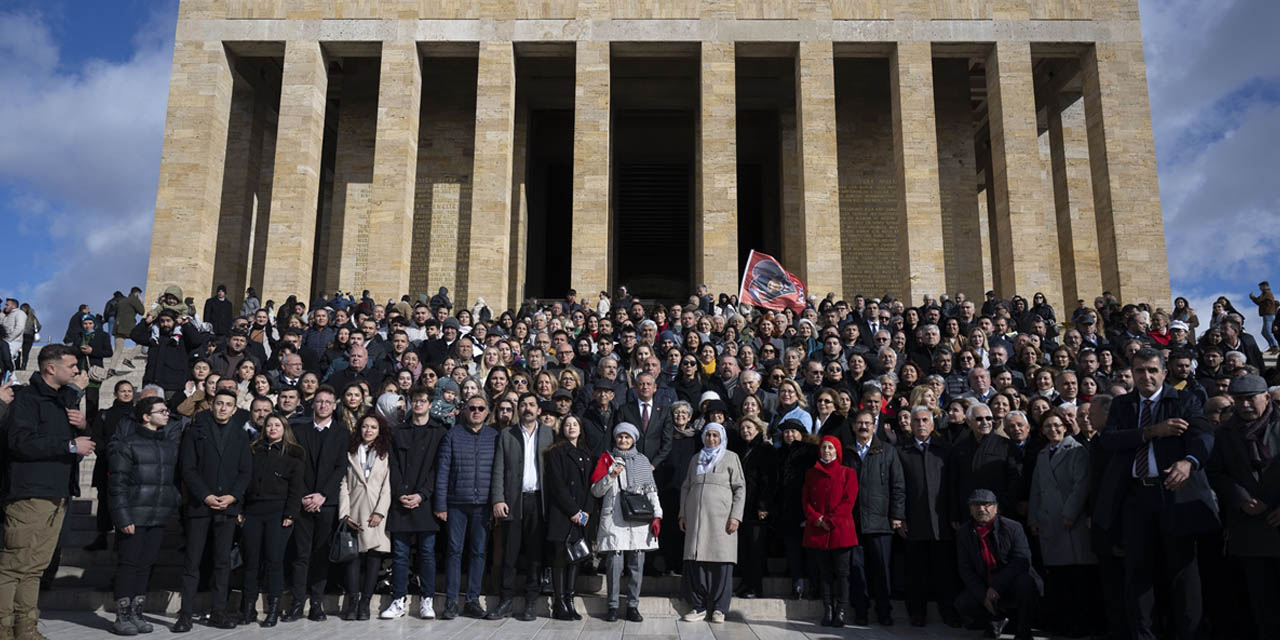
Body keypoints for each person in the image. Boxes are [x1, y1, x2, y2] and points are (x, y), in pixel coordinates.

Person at [1092, 348, 1218, 640]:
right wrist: (1151, 432)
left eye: (1152, 370)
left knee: (1182, 575)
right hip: (1135, 499)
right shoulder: (1122, 405)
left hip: (1175, 497)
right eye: (1139, 371)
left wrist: (1189, 462)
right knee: (1138, 574)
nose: (1146, 376)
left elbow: (1204, 436)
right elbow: (1109, 440)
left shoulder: (1184, 399)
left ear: (1164, 372)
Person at [1207, 374, 1280, 639]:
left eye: (1251, 398)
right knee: (1262, 603)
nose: (1245, 405)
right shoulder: (1225, 433)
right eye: (1239, 400)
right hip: (1250, 529)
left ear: (1266, 397)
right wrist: (1239, 498)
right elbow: (1216, 472)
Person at [174, 389, 252, 631]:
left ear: (234, 409)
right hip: (200, 505)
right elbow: (187, 468)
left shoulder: (240, 435)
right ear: (212, 405)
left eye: (228, 404)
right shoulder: (195, 431)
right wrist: (206, 495)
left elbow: (245, 471)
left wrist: (232, 497)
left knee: (222, 562)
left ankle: (219, 610)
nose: (223, 408)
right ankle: (185, 614)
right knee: (192, 561)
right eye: (219, 403)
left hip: (227, 507)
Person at [107, 396, 180, 635]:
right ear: (146, 416)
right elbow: (117, 485)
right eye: (161, 411)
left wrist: (173, 502)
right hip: (134, 516)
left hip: (158, 516)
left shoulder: (168, 445)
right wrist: (123, 518)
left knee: (146, 565)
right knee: (129, 565)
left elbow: (173, 481)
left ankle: (137, 612)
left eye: (166, 410)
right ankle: (122, 615)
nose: (166, 414)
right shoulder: (127, 444)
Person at [284, 386, 350, 623]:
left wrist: (322, 494)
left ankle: (316, 604)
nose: (323, 405)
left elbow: (340, 467)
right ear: (313, 404)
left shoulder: (342, 432)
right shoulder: (298, 429)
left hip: (327, 502)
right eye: (319, 401)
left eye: (327, 402)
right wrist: (304, 496)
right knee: (301, 555)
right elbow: (293, 465)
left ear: (334, 406)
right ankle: (297, 604)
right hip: (302, 502)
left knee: (321, 555)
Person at [381, 385, 447, 621]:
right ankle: (398, 599)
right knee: (399, 554)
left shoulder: (439, 431)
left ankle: (427, 599)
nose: (418, 405)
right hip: (401, 500)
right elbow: (394, 465)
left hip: (425, 502)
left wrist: (422, 494)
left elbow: (438, 469)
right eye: (414, 401)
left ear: (430, 404)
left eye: (422, 401)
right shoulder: (398, 431)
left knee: (427, 553)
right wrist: (400, 492)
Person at [1028, 411, 1095, 638]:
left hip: (1070, 523)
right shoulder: (1042, 454)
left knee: (1077, 577)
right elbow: (1036, 488)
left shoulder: (1076, 450)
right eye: (1047, 426)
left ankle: (1081, 624)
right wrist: (1034, 518)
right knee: (1058, 577)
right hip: (1049, 522)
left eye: (1057, 425)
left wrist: (1070, 513)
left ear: (1065, 427)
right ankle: (1062, 622)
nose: (1053, 430)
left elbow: (1082, 484)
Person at [488, 393, 554, 621]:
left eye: (531, 405)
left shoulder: (549, 434)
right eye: (523, 404)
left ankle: (531, 603)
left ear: (539, 410)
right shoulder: (507, 434)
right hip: (513, 501)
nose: (527, 408)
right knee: (510, 554)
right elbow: (498, 469)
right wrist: (498, 499)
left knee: (536, 555)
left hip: (538, 501)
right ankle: (505, 601)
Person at [433, 394, 498, 620]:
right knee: (453, 551)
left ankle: (472, 600)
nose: (476, 411)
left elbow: (499, 473)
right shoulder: (452, 436)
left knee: (479, 552)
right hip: (456, 504)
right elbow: (442, 472)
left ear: (487, 412)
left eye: (481, 408)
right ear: (464, 411)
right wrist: (440, 504)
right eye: (472, 408)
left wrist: (495, 502)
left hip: (483, 505)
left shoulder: (494, 436)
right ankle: (451, 602)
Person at [591, 423, 663, 622]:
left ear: (633, 439)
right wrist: (611, 476)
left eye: (627, 437)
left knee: (637, 563)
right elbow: (596, 490)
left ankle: (633, 605)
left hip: (639, 519)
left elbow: (651, 490)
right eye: (620, 437)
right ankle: (612, 606)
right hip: (615, 518)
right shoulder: (607, 459)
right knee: (614, 563)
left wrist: (657, 515)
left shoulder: (642, 460)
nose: (623, 441)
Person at [239, 413, 304, 628]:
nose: (273, 429)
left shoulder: (293, 454)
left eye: (277, 425)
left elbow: (296, 489)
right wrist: (239, 508)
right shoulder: (253, 450)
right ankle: (247, 609)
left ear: (284, 428)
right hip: (253, 511)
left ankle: (273, 609)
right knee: (251, 561)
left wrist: (290, 514)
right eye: (269, 425)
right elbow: (243, 479)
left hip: (278, 513)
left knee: (274, 561)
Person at [898, 406, 961, 628]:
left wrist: (954, 514)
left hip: (942, 520)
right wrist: (899, 517)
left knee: (945, 570)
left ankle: (948, 610)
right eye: (916, 420)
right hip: (914, 520)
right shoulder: (902, 450)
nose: (921, 424)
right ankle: (917, 612)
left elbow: (954, 485)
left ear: (933, 424)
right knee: (916, 571)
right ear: (910, 425)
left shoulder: (945, 449)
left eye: (925, 420)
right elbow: (898, 487)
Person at [678, 423, 746, 624]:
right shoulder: (696, 458)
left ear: (722, 437)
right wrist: (682, 513)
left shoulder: (731, 457)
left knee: (721, 563)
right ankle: (698, 606)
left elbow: (740, 488)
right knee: (696, 561)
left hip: (722, 519)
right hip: (697, 519)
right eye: (708, 434)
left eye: (716, 435)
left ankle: (719, 609)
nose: (711, 439)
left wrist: (736, 516)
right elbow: (686, 487)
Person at [954, 489, 1042, 640]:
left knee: (1026, 583)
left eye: (986, 504)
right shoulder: (963, 533)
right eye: (976, 505)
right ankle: (995, 620)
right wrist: (983, 595)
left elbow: (1021, 561)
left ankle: (1023, 631)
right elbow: (966, 569)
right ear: (970, 509)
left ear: (996, 507)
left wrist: (997, 586)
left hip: (1010, 583)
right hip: (986, 585)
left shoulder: (1013, 527)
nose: (981, 509)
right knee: (963, 604)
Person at [847, 408, 905, 627]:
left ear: (874, 426)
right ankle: (860, 611)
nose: (863, 427)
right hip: (854, 522)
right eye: (859, 423)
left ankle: (884, 611)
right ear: (854, 426)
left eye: (868, 423)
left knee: (882, 570)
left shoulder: (888, 452)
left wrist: (897, 515)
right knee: (857, 569)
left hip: (881, 522)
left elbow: (898, 485)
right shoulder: (848, 452)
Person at [799, 435, 859, 628]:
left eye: (831, 448)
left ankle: (841, 611)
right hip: (818, 530)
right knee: (824, 573)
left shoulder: (847, 473)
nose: (827, 451)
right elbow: (806, 499)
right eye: (824, 447)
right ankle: (828, 609)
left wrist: (831, 520)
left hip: (840, 530)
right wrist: (816, 518)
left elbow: (848, 501)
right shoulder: (811, 473)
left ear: (837, 451)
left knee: (842, 573)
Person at [338, 414, 392, 621]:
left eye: (373, 427)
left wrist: (380, 512)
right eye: (365, 427)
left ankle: (365, 603)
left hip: (376, 513)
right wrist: (344, 514)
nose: (369, 430)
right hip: (354, 510)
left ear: (380, 430)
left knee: (373, 558)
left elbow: (387, 486)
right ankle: (352, 601)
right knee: (352, 557)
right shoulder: (351, 453)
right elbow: (343, 484)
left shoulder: (384, 454)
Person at [544, 414, 593, 620]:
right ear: (562, 429)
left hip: (581, 515)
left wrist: (586, 511)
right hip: (563, 513)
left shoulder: (586, 453)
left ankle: (570, 600)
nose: (571, 427)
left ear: (580, 429)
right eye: (567, 425)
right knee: (560, 557)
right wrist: (573, 511)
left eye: (575, 424)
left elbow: (592, 485)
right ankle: (559, 602)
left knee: (576, 558)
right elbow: (557, 485)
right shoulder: (556, 453)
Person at [732, 417, 775, 600]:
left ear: (758, 428)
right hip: (743, 505)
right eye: (742, 428)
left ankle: (755, 587)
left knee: (756, 549)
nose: (746, 431)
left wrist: (763, 505)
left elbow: (769, 479)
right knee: (745, 548)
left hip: (758, 507)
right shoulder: (741, 448)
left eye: (749, 427)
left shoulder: (766, 449)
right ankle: (745, 584)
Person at [1249, 281, 1279, 354]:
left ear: (1265, 286)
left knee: (1268, 331)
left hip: (1269, 314)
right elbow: (1258, 302)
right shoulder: (1264, 294)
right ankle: (1272, 346)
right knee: (1264, 332)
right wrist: (1253, 298)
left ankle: (1275, 345)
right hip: (1267, 314)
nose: (1260, 288)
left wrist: (1252, 297)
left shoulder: (1267, 293)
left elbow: (1259, 300)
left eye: (1261, 287)